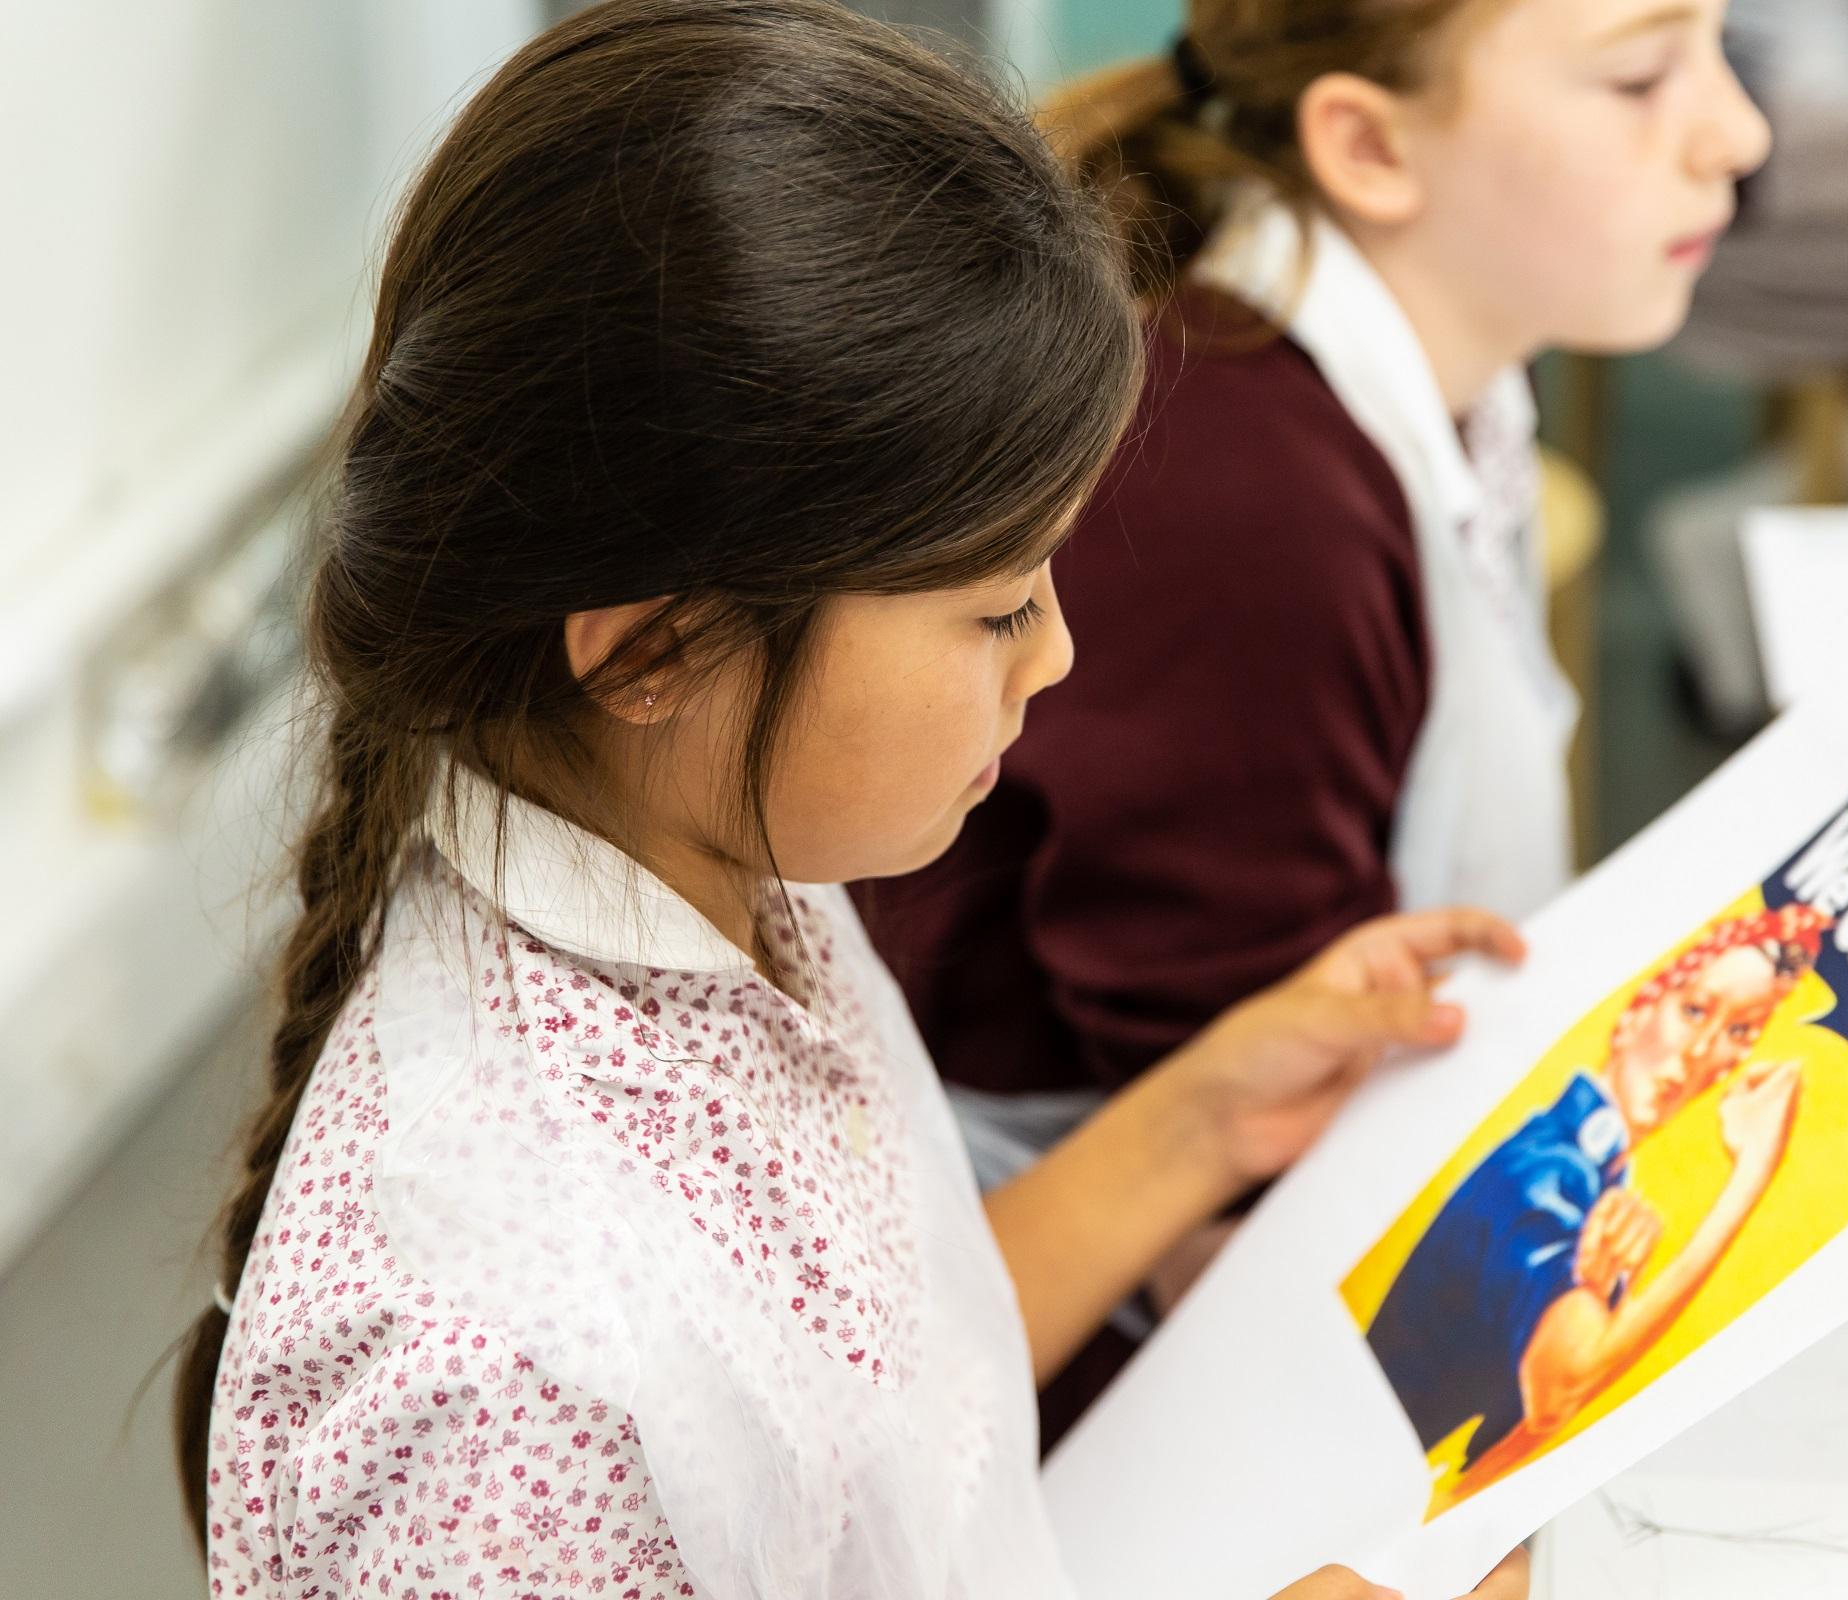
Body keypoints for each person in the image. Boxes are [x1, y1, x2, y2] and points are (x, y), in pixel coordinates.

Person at [167, 5, 1529, 1597]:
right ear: (658, 649)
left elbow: (865, 1413)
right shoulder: (499, 1377)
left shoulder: (719, 856)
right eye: (998, 609)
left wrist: (1196, 1121)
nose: (1060, 659)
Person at [857, 0, 1775, 1422]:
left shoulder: (1423, 376)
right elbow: (1246, 1128)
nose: (1738, 133)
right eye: (1642, 76)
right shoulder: (1249, 501)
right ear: (1363, 143)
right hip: (1062, 1343)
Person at [1365, 904, 1826, 1498]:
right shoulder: (1550, 1170)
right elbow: (1564, 1386)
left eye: (1739, 1032)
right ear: (1639, 1010)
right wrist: (1751, 1178)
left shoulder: (1596, 1182)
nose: (1699, 1054)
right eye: (1694, 1010)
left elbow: (1522, 1437)